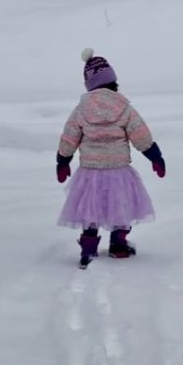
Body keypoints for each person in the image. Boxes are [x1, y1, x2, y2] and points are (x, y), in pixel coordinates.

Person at [56, 48, 166, 268]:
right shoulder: (124, 107)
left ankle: (88, 249)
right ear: (113, 80)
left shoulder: (81, 108)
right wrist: (155, 156)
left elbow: (70, 136)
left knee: (91, 210)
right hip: (118, 171)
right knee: (121, 206)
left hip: (90, 172)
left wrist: (63, 160)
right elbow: (139, 133)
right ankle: (118, 245)